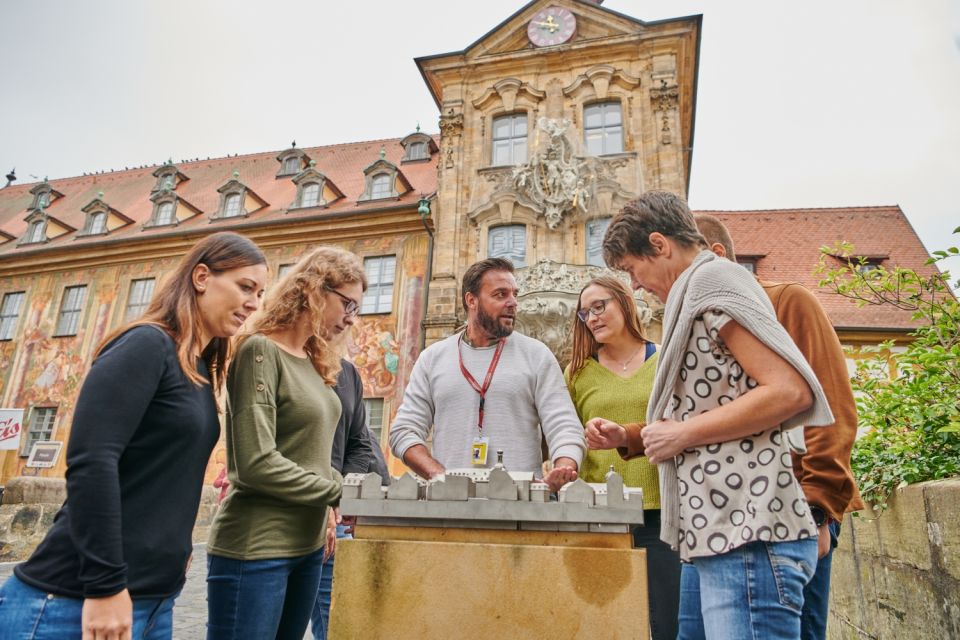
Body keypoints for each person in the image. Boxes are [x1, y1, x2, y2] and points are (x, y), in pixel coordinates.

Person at [0, 232, 268, 639]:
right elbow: (92, 462)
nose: (254, 302)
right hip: (75, 599)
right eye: (245, 286)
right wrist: (105, 585)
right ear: (201, 277)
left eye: (260, 293)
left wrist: (173, 552)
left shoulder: (196, 368)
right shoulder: (147, 344)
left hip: (155, 599)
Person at [596, 191, 835, 640]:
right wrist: (642, 434)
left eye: (632, 269)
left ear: (660, 244)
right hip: (721, 531)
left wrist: (681, 434)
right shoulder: (698, 291)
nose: (636, 286)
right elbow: (718, 402)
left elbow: (789, 392)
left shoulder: (714, 282)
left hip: (750, 532)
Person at [694, 213, 864, 640]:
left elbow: (832, 408)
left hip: (799, 505)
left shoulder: (786, 302)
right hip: (738, 509)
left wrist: (820, 509)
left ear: (715, 256)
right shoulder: (705, 322)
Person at [205, 246, 365, 640]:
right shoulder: (260, 350)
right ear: (314, 289)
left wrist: (348, 490)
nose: (350, 317)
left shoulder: (315, 361)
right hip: (257, 547)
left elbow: (313, 454)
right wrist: (338, 490)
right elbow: (256, 464)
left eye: (357, 308)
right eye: (346, 303)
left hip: (308, 546)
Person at [388, 257, 585, 490]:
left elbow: (565, 426)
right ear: (471, 300)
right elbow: (404, 431)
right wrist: (441, 477)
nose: (513, 303)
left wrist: (563, 467)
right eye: (501, 295)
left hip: (521, 506)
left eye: (514, 294)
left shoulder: (537, 354)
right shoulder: (432, 358)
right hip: (451, 505)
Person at [566, 276, 680, 640]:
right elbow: (566, 437)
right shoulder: (577, 372)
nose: (593, 317)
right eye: (585, 313)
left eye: (600, 306)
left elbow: (682, 424)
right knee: (607, 623)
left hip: (661, 509)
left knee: (669, 621)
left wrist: (627, 433)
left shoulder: (666, 359)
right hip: (600, 514)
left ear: (625, 303)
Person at [310, 358, 385, 640]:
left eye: (355, 309)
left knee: (338, 622)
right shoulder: (274, 355)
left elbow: (360, 444)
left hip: (336, 520)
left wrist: (337, 498)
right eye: (346, 309)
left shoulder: (347, 371)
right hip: (287, 517)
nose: (351, 318)